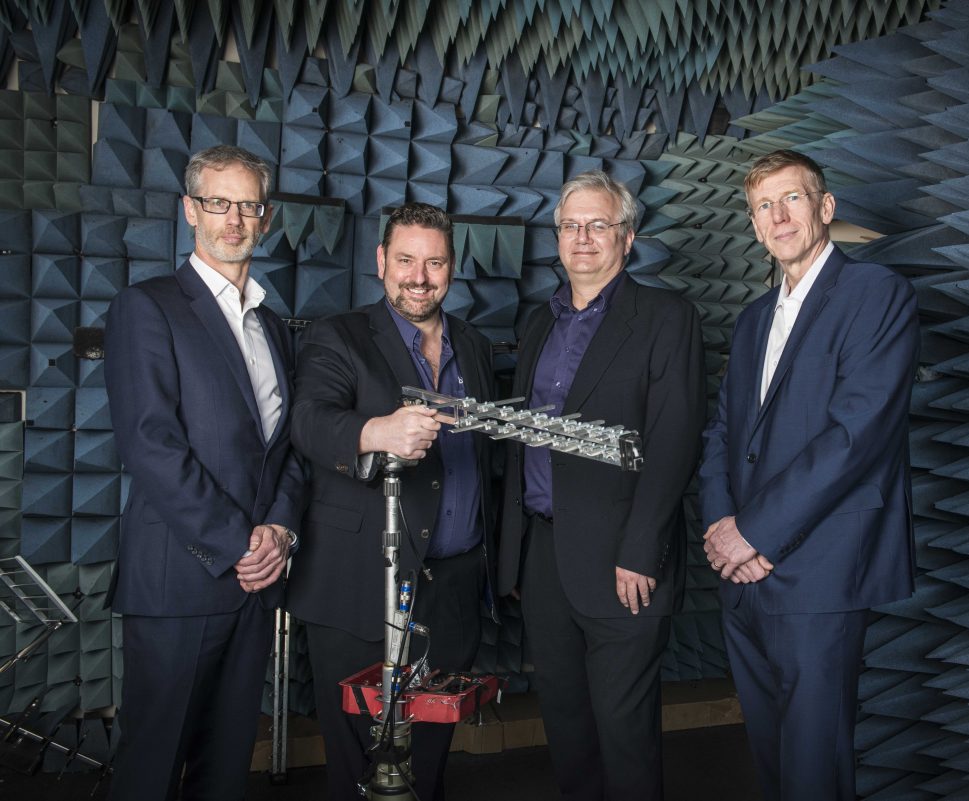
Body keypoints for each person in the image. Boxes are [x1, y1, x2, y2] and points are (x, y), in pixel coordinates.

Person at [698, 149, 920, 800]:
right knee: (772, 760)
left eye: (792, 198)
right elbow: (722, 432)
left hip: (819, 572)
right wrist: (719, 523)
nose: (778, 214)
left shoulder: (877, 294)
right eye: (764, 205)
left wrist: (756, 534)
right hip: (741, 574)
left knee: (814, 768)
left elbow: (856, 436)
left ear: (825, 208)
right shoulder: (751, 321)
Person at [103, 145, 305, 801]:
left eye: (248, 205)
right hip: (180, 580)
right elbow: (149, 442)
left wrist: (278, 526)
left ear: (266, 216)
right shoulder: (148, 306)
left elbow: (286, 447)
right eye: (219, 203)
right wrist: (236, 542)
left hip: (253, 583)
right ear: (191, 210)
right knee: (152, 768)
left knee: (224, 772)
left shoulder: (273, 326)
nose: (234, 220)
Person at [496, 170, 706, 801]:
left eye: (598, 225)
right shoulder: (540, 322)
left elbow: (675, 440)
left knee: (624, 729)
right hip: (542, 557)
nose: (582, 237)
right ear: (557, 237)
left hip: (622, 561)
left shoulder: (666, 317)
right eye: (570, 225)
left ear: (628, 236)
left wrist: (641, 550)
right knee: (565, 722)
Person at [287, 202, 497, 801]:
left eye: (434, 262)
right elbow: (308, 421)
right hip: (359, 580)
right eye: (405, 259)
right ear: (381, 261)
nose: (419, 276)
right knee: (360, 756)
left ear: (452, 268)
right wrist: (375, 433)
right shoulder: (341, 335)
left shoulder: (475, 346)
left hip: (451, 585)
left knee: (427, 755)